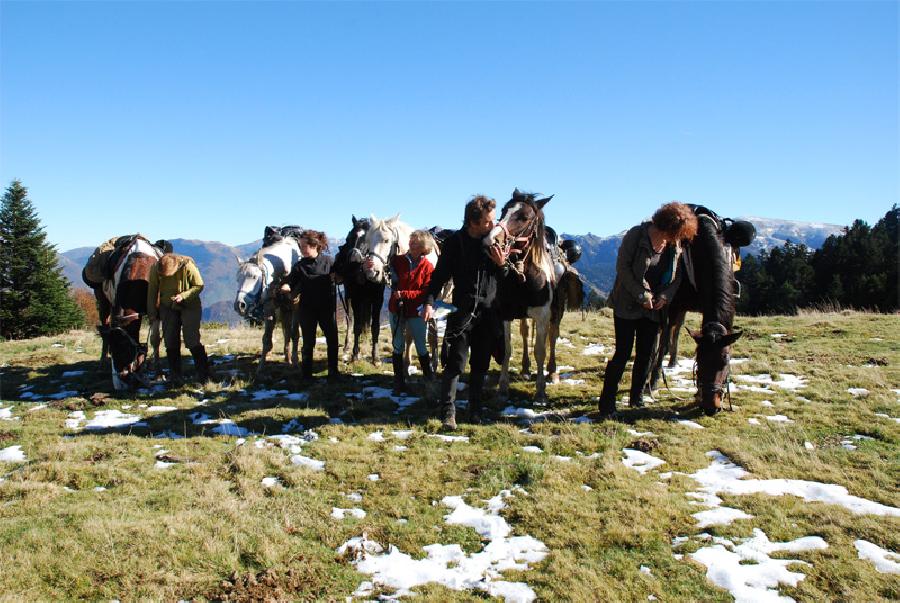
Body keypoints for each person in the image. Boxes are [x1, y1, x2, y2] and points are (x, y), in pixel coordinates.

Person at [598, 201, 698, 416]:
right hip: (627, 304)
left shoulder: (674, 245)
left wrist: (665, 296)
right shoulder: (636, 235)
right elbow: (622, 269)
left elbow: (678, 276)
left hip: (655, 309)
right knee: (622, 353)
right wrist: (641, 295)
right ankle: (607, 402)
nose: (677, 238)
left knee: (647, 354)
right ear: (665, 226)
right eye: (675, 233)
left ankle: (637, 398)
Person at [421, 195, 511, 429]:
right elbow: (439, 277)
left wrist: (502, 266)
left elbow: (508, 283)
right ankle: (448, 412)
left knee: (481, 364)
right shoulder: (454, 243)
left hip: (488, 314)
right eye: (489, 221)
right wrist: (429, 302)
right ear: (473, 221)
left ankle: (475, 410)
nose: (494, 225)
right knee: (455, 364)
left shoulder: (495, 243)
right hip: (461, 313)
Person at [381, 230, 437, 395]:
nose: (411, 244)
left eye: (416, 243)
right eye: (411, 241)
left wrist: (404, 294)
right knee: (397, 345)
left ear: (423, 247)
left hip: (415, 311)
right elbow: (386, 272)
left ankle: (428, 380)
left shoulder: (428, 267)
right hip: (396, 309)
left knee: (421, 345)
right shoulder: (397, 261)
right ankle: (398, 382)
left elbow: (426, 292)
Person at [281, 229, 339, 381]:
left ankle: (333, 372)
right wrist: (286, 287)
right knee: (308, 341)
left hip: (327, 307)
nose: (301, 249)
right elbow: (291, 282)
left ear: (314, 245)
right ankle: (306, 374)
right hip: (307, 309)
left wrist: (338, 278)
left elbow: (340, 277)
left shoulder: (329, 261)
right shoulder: (299, 266)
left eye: (303, 246)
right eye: (300, 246)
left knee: (332, 340)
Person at [147, 252, 209, 384]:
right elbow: (152, 290)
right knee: (170, 339)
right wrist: (151, 312)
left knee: (191, 339)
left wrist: (183, 296)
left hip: (190, 305)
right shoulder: (155, 268)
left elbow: (199, 285)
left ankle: (203, 373)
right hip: (167, 306)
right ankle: (175, 375)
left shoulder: (187, 265)